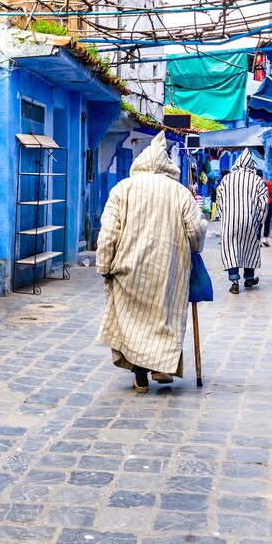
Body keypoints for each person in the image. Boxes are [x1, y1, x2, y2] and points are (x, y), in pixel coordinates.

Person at [96, 132, 208, 393]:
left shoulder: (122, 188)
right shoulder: (180, 192)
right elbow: (195, 231)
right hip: (167, 270)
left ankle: (140, 375)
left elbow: (109, 231)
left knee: (133, 321)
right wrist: (194, 249)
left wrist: (104, 265)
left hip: (128, 267)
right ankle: (161, 366)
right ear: (168, 166)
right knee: (162, 318)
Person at [217, 150, 269, 294]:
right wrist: (259, 222)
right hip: (249, 220)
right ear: (252, 165)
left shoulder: (226, 179)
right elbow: (263, 204)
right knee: (249, 247)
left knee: (231, 249)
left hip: (229, 222)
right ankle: (249, 278)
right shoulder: (257, 181)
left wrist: (224, 218)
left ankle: (234, 281)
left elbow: (219, 201)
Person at [257, 169, 272, 246]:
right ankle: (265, 238)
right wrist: (270, 201)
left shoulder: (253, 184)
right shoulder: (268, 183)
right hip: (267, 204)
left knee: (258, 222)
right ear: (262, 175)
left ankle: (258, 240)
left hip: (257, 206)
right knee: (267, 221)